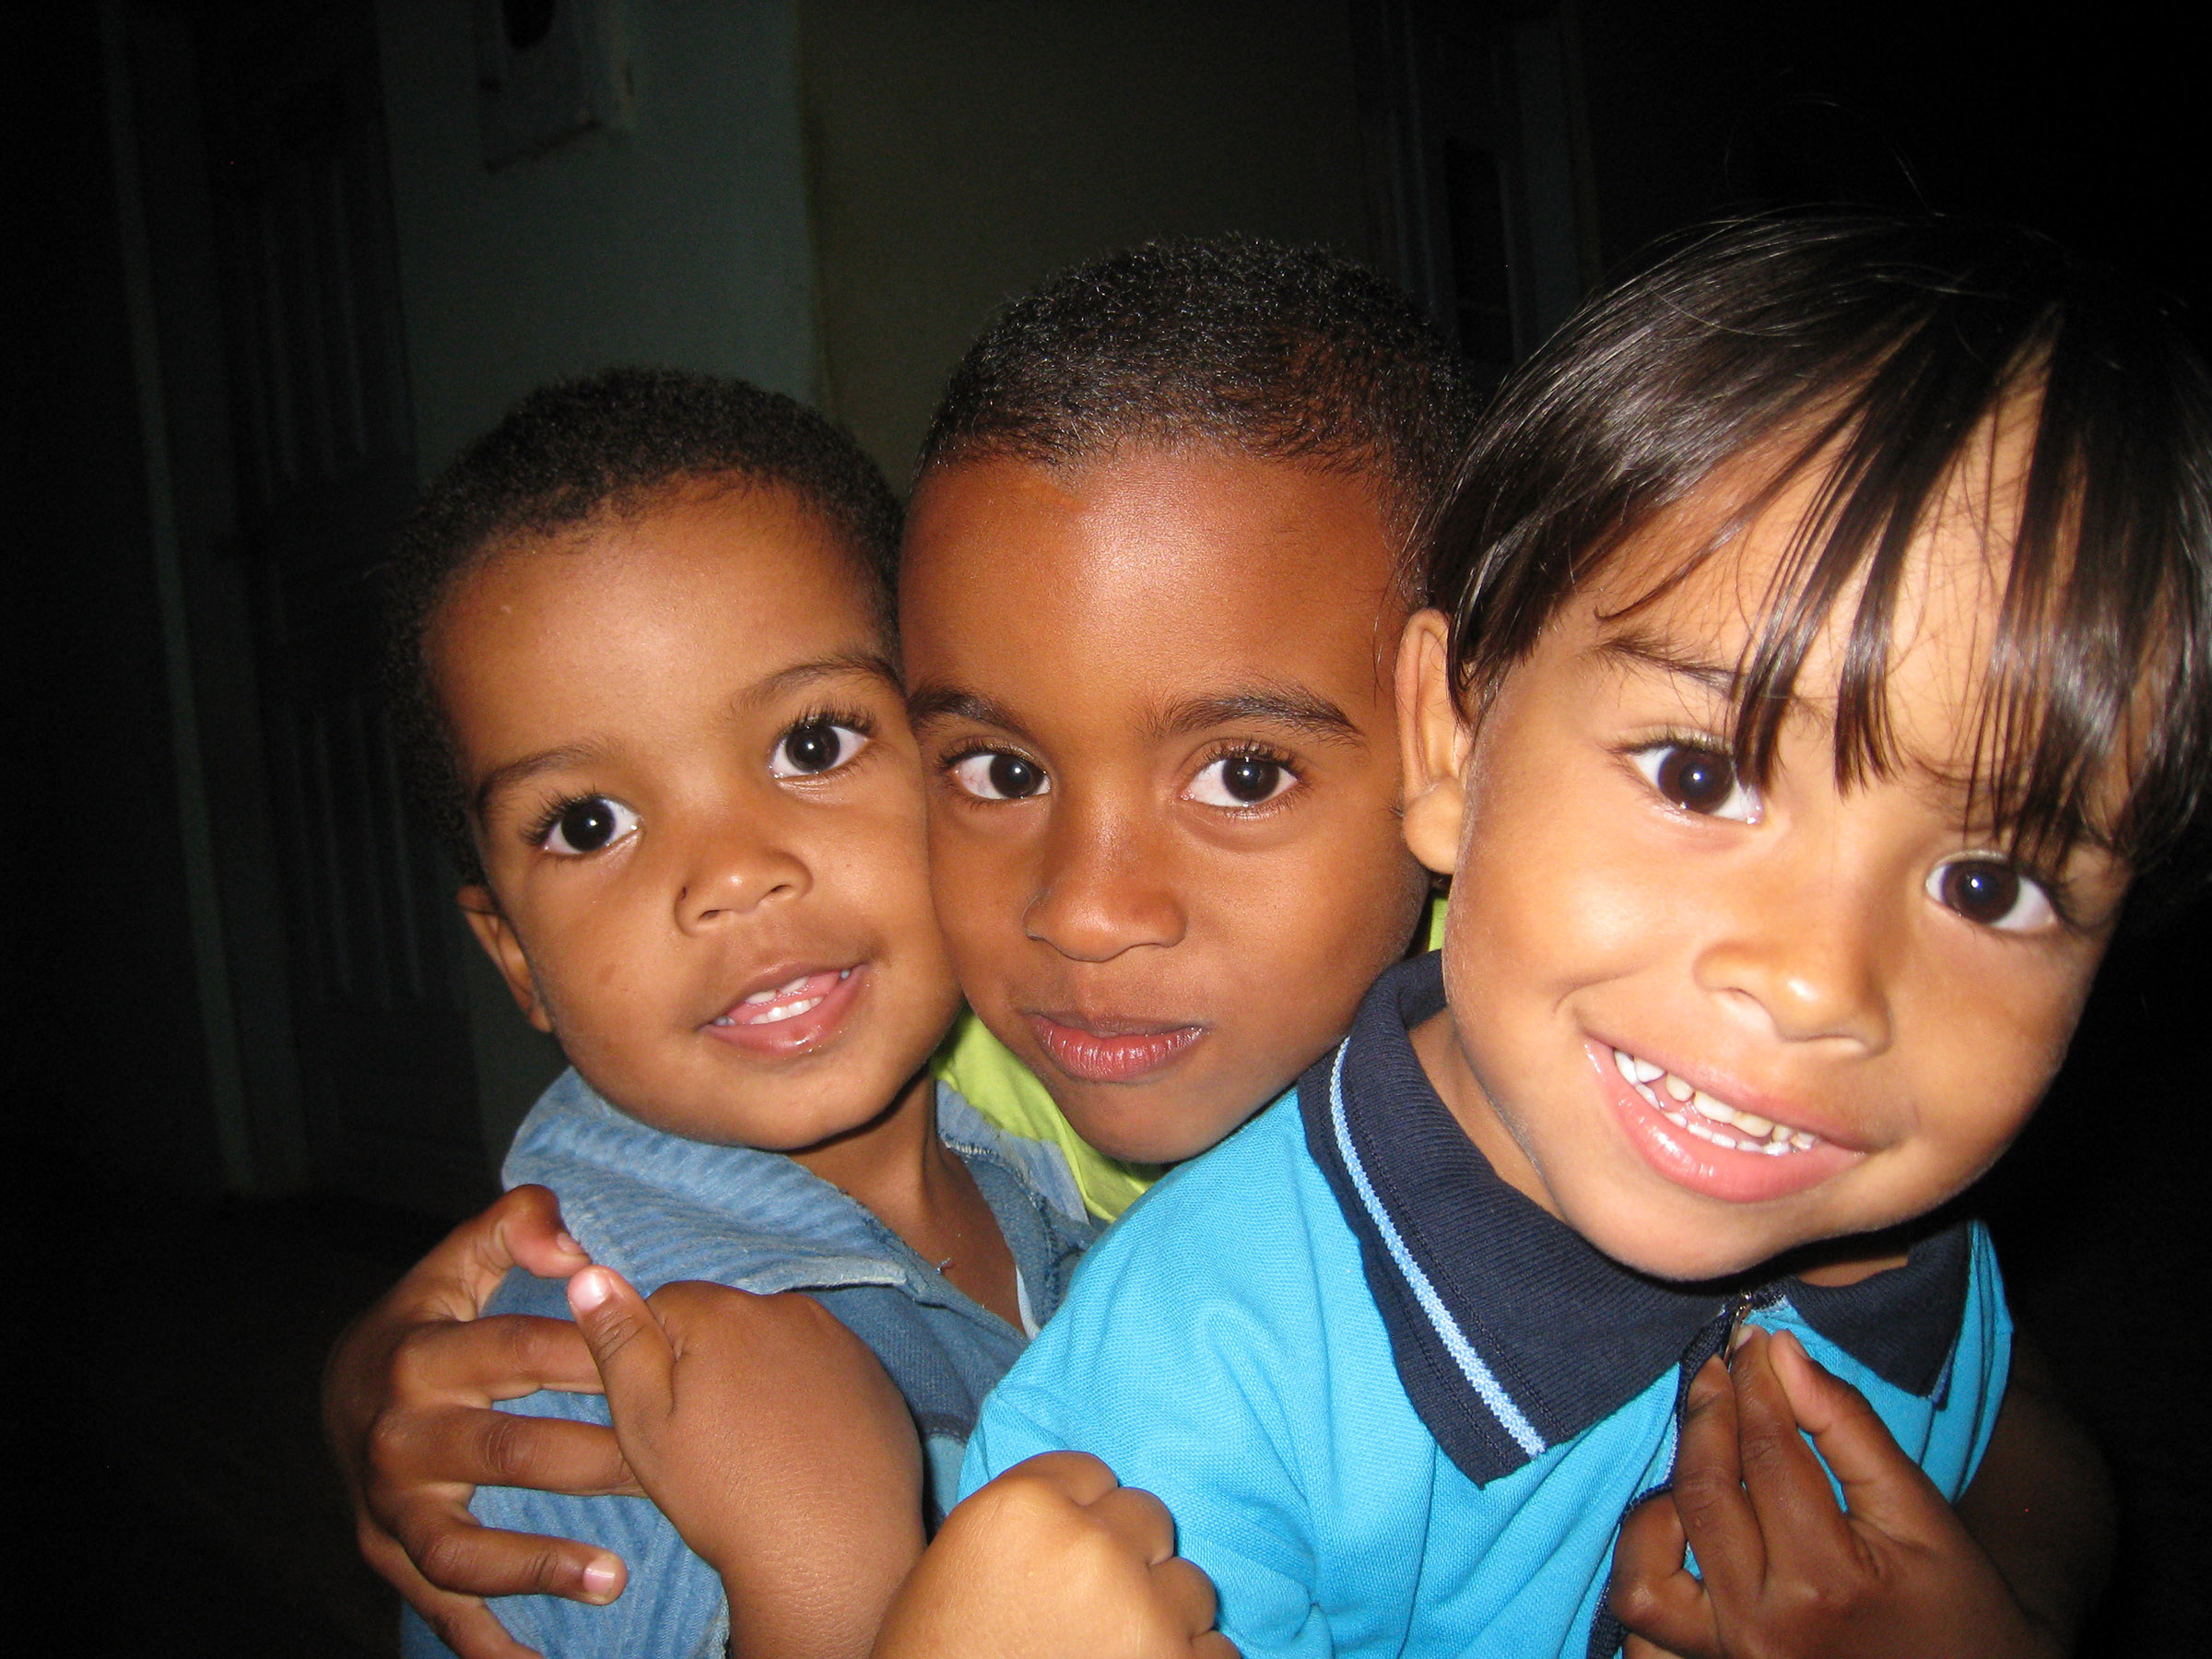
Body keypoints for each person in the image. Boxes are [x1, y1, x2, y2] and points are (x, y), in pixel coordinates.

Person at [327, 235, 2115, 1658]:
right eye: (999, 768)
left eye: (1246, 773)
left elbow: (1982, 1390)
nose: (1090, 912)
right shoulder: (927, 1032)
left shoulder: (1638, 1006)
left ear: (1450, 754)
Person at [893, 214, 2206, 1657]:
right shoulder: (1190, 1412)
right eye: (1702, 776)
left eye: (1986, 885)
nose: (1819, 983)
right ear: (1454, 740)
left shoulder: (1855, 1196)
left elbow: (2019, 1425)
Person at [376, 368, 1095, 1659]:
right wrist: (816, 1591)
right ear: (516, 957)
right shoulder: (580, 1401)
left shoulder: (1056, 1127)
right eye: (589, 823)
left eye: (812, 745)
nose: (730, 875)